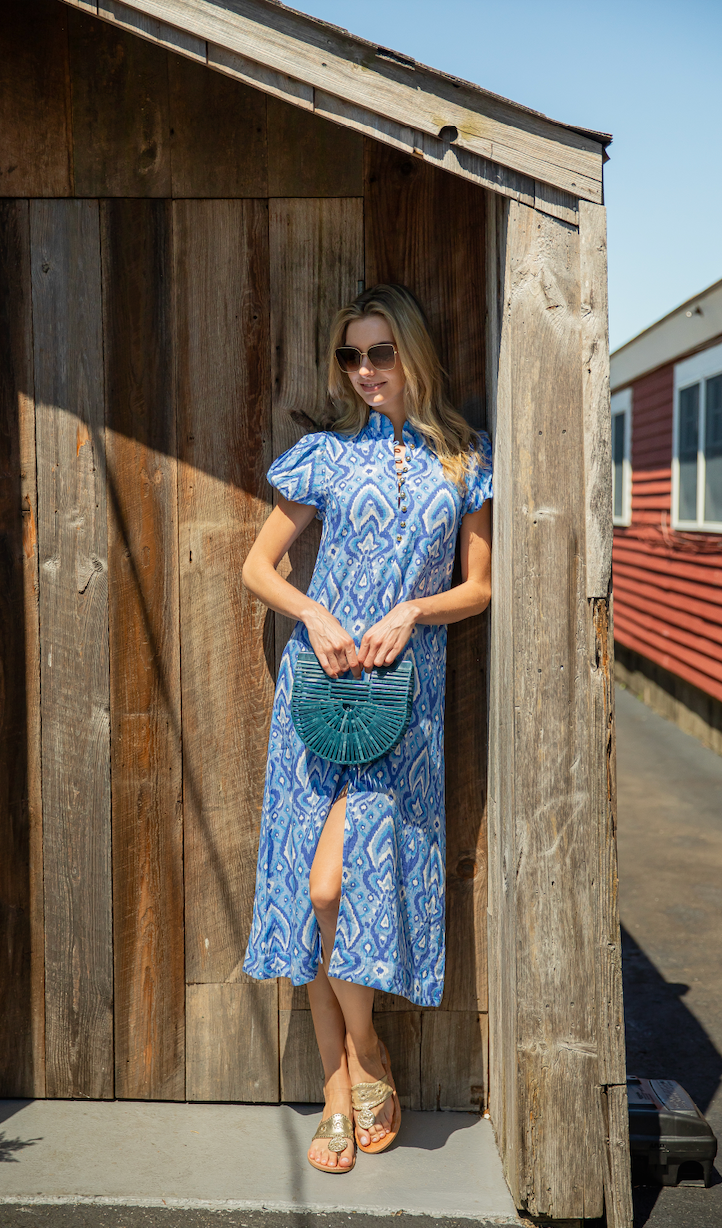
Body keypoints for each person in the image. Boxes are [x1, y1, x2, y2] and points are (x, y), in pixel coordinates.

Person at [241, 284, 493, 1173]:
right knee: (311, 896)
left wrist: (416, 611)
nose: (365, 371)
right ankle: (340, 1085)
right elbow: (257, 566)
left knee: (333, 885)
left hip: (406, 703)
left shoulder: (465, 460)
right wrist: (313, 614)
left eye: (380, 353)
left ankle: (369, 1054)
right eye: (352, 356)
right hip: (319, 693)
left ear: (413, 354)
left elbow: (481, 587)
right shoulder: (322, 457)